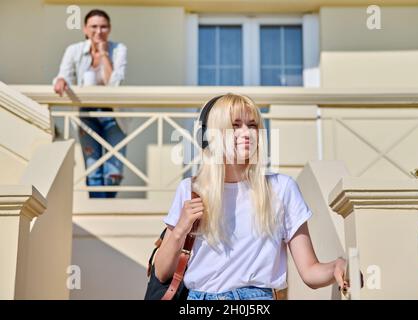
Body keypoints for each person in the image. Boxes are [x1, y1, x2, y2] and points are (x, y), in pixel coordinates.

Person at [153, 93, 349, 300]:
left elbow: (309, 271)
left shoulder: (282, 188)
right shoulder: (191, 189)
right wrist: (180, 230)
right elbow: (162, 272)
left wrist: (337, 266)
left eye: (253, 125)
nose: (247, 133)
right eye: (235, 125)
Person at [53, 9, 127, 198]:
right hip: (86, 114)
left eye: (103, 26)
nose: (99, 31)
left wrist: (103, 55)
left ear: (109, 29)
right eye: (94, 26)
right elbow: (63, 75)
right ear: (85, 29)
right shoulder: (74, 50)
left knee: (113, 171)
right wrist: (60, 81)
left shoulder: (118, 49)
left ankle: (106, 208)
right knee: (93, 167)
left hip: (114, 114)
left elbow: (114, 84)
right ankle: (101, 210)